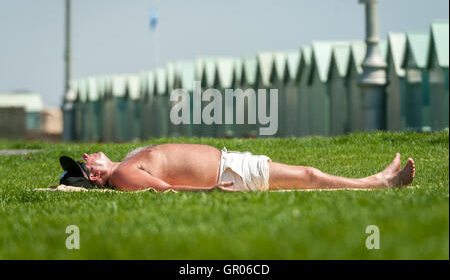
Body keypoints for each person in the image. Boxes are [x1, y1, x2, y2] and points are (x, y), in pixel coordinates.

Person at [59, 143, 415, 192]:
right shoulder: (121, 175)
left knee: (307, 175)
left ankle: (377, 179)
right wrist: (209, 191)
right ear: (93, 173)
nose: (90, 154)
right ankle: (379, 182)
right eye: (87, 160)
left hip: (231, 162)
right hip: (229, 174)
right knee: (308, 175)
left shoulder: (127, 159)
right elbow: (163, 190)